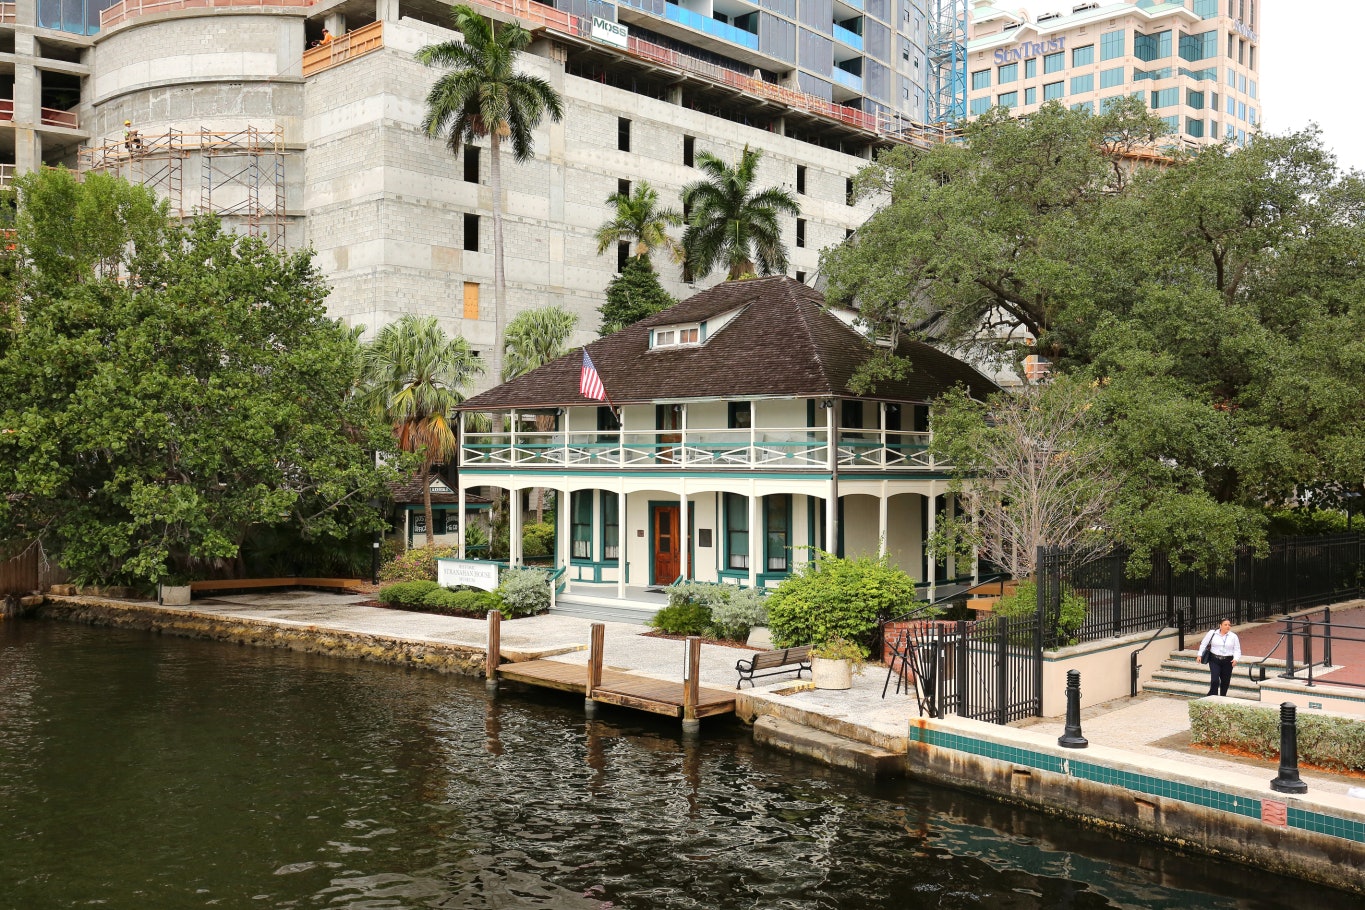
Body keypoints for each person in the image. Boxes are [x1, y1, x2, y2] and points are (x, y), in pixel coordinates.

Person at [1197, 618, 1242, 697]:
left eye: (1229, 625)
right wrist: (1199, 654)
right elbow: (1203, 644)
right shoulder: (1212, 633)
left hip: (1228, 661)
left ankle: (1222, 697)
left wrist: (1236, 659)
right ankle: (1213, 697)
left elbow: (1237, 650)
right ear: (1220, 626)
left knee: (1225, 682)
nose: (1228, 626)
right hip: (1214, 659)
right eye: (1225, 625)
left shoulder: (1233, 636)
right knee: (1215, 680)